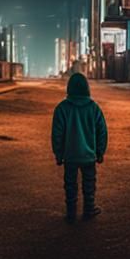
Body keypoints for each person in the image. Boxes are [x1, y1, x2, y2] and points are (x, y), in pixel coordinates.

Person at [52, 72, 108, 222]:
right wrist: (100, 152)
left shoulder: (62, 108)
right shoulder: (94, 108)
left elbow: (57, 134)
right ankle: (89, 209)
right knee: (89, 184)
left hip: (70, 156)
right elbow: (102, 132)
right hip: (89, 156)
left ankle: (71, 213)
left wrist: (58, 154)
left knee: (70, 185)